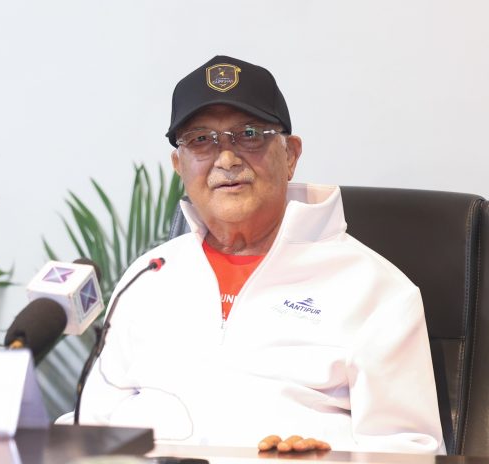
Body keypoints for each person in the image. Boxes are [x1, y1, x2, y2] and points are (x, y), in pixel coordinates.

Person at [72, 55, 445, 454]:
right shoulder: (147, 277)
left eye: (249, 134)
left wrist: (329, 461)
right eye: (201, 140)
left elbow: (412, 451)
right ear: (179, 165)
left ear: (290, 155)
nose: (226, 159)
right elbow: (88, 426)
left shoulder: (376, 289)